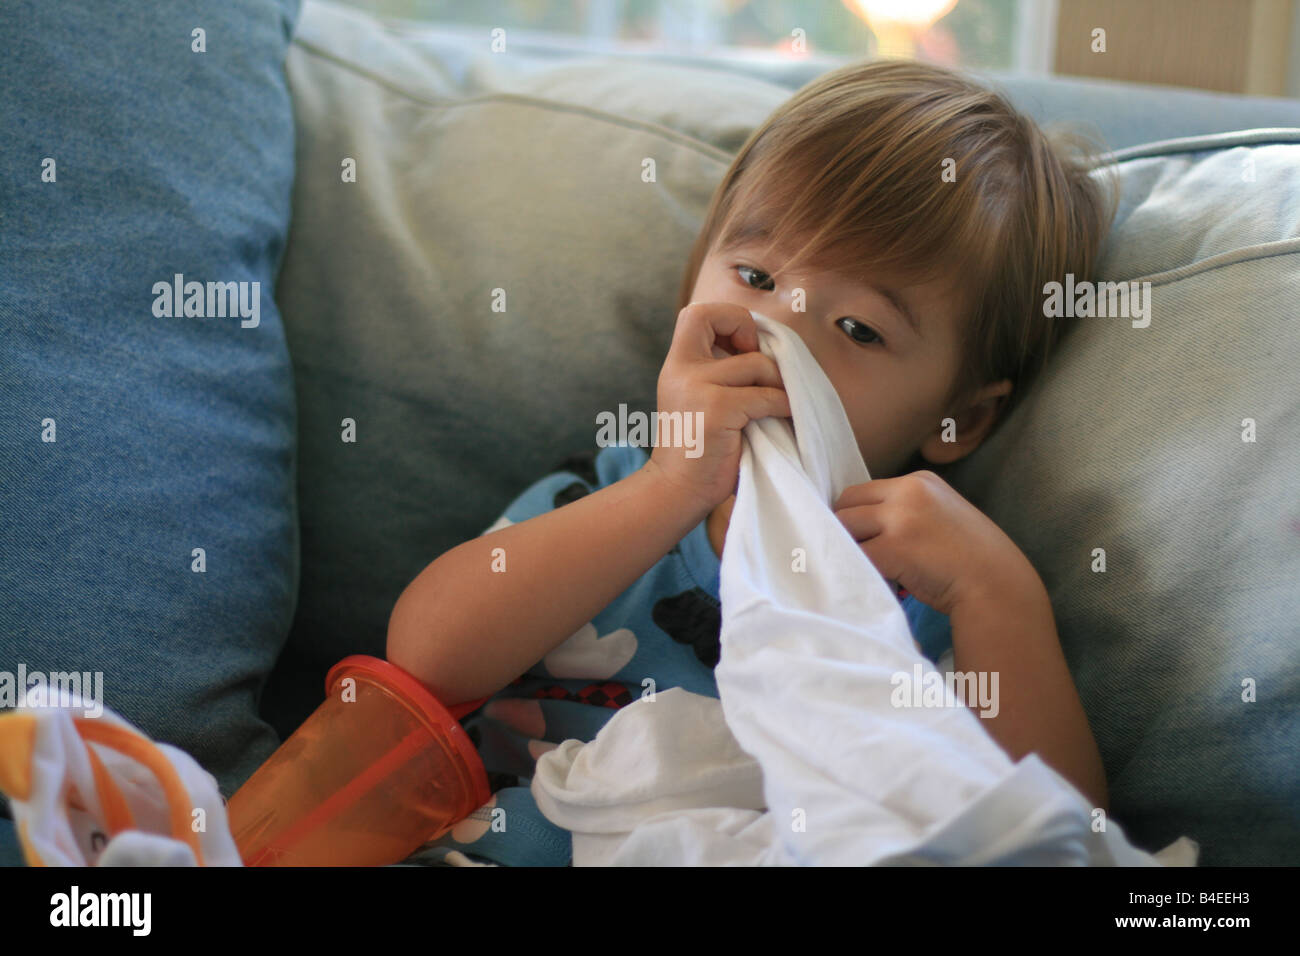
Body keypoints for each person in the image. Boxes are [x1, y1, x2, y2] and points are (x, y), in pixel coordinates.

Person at [387, 58, 1120, 866]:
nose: (781, 333)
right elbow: (425, 659)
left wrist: (997, 596)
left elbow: (1054, 835)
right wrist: (668, 488)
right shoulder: (609, 490)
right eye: (755, 277)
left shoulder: (925, 586)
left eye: (858, 330)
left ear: (963, 417)